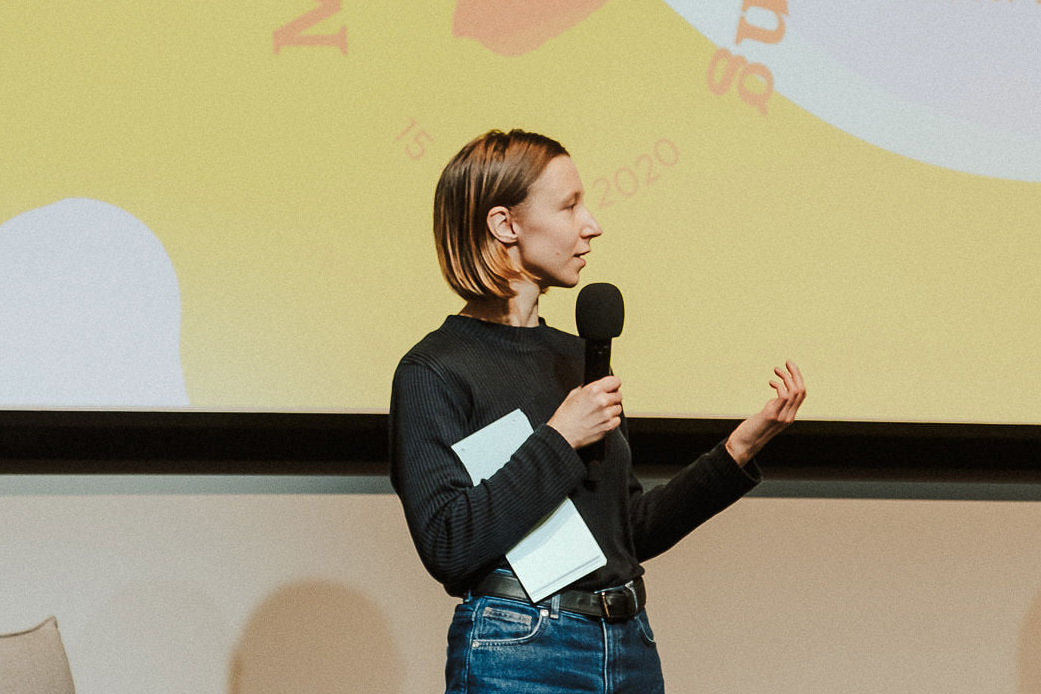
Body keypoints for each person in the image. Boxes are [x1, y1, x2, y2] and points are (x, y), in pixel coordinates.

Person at [389, 129, 806, 693]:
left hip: (628, 642)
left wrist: (737, 453)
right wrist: (560, 439)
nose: (593, 224)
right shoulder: (434, 371)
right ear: (505, 225)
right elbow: (447, 543)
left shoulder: (575, 357)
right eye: (569, 206)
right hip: (519, 652)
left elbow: (629, 531)